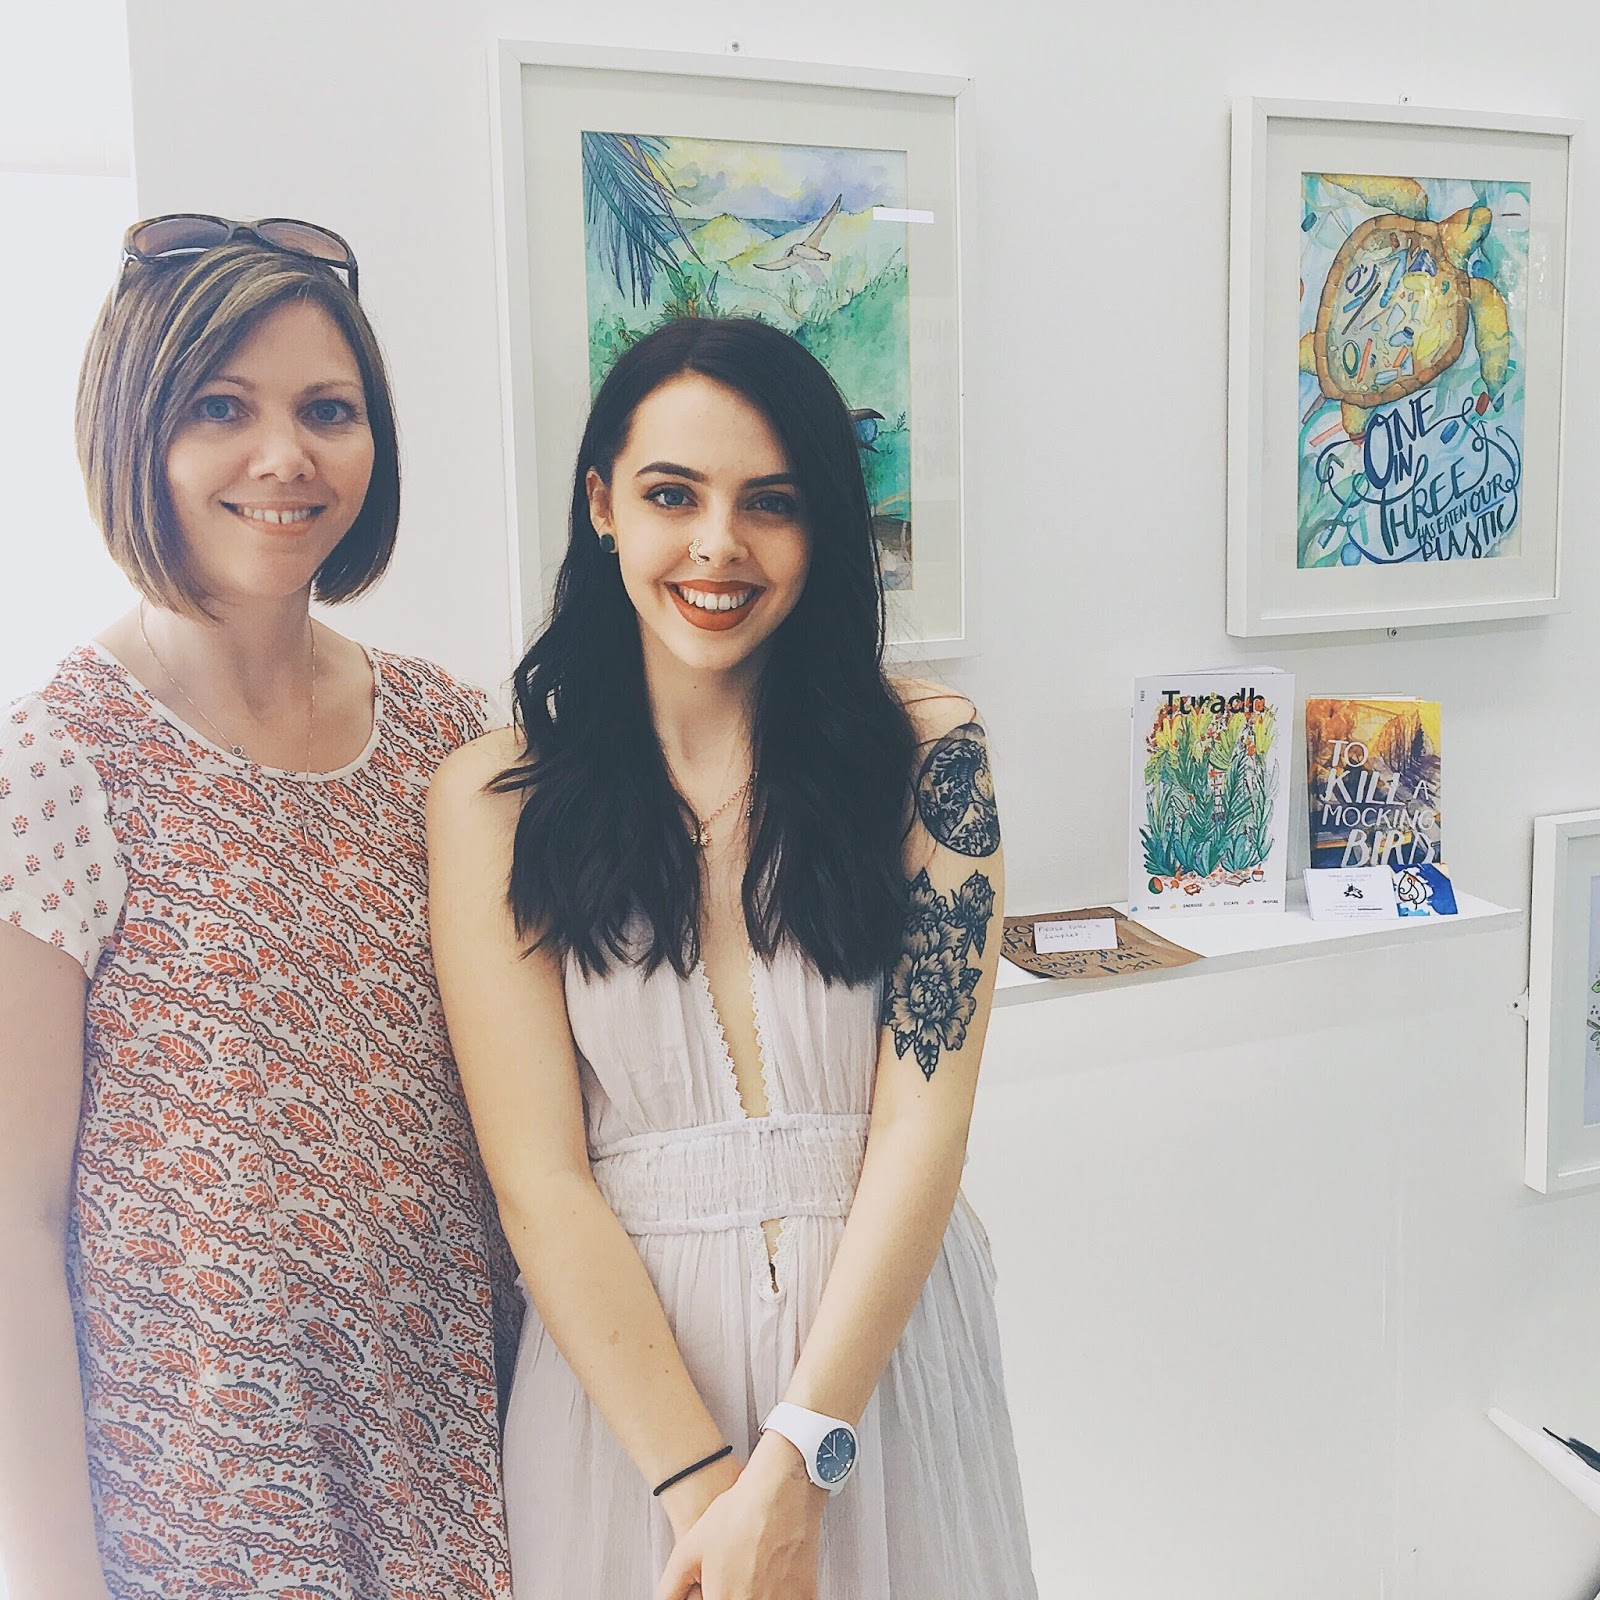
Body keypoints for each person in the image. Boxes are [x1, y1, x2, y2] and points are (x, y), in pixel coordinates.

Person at [428, 316, 1035, 1599]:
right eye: (670, 494)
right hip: (635, 1407)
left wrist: (798, 1463)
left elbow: (924, 1125)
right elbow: (540, 1183)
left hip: (879, 1376)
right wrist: (712, 1491)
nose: (718, 545)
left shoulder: (932, 753)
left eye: (771, 502)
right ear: (601, 504)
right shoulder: (492, 798)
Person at [0, 217, 515, 1598]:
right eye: (222, 409)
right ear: (136, 434)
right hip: (199, 1493)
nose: (284, 457)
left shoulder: (450, 737)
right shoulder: (54, 761)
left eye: (326, 411)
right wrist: (53, 1579)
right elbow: (13, 1219)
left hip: (451, 1453)